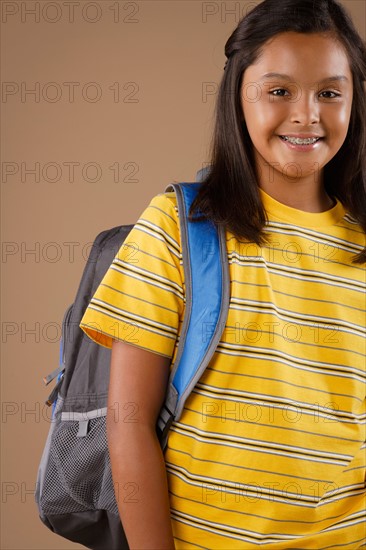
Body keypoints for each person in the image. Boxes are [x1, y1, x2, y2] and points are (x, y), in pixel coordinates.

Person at [79, 0, 366, 547]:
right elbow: (127, 422)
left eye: (330, 92)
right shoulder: (180, 228)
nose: (306, 114)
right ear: (239, 97)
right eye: (279, 91)